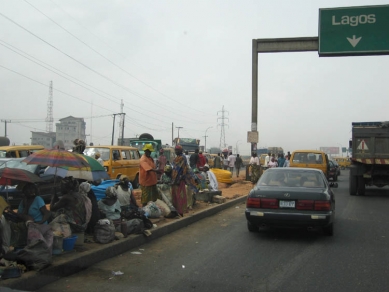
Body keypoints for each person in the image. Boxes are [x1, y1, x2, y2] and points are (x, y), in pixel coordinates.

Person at [1, 183, 51, 252]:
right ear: (24, 192)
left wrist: (40, 222)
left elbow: (47, 213)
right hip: (30, 224)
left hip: (40, 225)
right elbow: (21, 215)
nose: (30, 191)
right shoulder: (23, 202)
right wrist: (24, 206)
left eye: (32, 189)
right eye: (28, 189)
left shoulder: (38, 199)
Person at [171, 145, 198, 216]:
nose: (176, 151)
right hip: (174, 180)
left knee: (180, 196)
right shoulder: (177, 158)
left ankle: (181, 211)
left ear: (181, 150)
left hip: (179, 180)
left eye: (177, 150)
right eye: (175, 150)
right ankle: (177, 210)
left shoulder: (182, 157)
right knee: (175, 196)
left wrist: (180, 178)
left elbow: (183, 169)